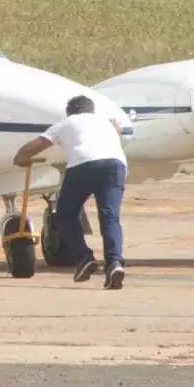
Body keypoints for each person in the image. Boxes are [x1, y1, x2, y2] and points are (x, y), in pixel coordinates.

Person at [13, 94, 130, 290]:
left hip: (83, 165)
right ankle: (115, 264)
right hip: (115, 165)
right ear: (91, 110)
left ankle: (84, 257)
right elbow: (120, 128)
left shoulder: (66, 123)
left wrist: (20, 159)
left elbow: (36, 145)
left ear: (70, 112)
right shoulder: (106, 122)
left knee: (65, 214)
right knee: (110, 217)